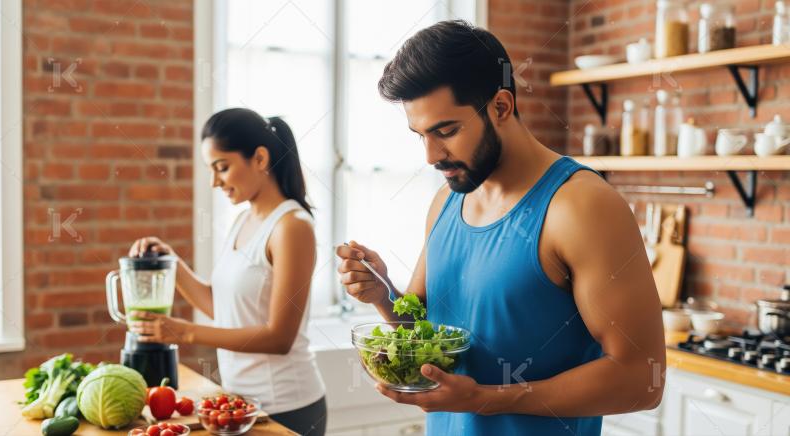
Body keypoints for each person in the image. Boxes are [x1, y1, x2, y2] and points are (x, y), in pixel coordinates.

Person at [335, 20, 665, 435]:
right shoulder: (447, 201)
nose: (431, 155)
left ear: (502, 107)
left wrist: (487, 400)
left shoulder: (582, 206)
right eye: (419, 135)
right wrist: (382, 294)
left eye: (447, 131)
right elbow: (425, 333)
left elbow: (642, 379)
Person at [128, 108, 326, 436]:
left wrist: (184, 332)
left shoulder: (292, 227)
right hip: (240, 405)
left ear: (260, 159)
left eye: (222, 167)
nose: (214, 181)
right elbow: (224, 309)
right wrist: (171, 263)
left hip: (287, 408)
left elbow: (280, 337)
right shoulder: (242, 222)